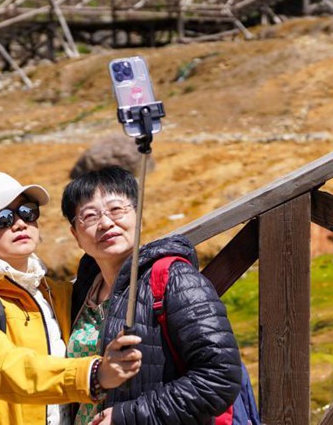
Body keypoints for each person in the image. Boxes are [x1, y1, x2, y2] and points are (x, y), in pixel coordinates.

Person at [0, 171, 142, 424]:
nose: (19, 223)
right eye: (1, 218)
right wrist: (93, 375)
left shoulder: (56, 293)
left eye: (27, 211)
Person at [63, 166, 242, 424]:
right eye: (90, 216)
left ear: (138, 214)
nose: (105, 223)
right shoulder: (82, 291)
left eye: (116, 209)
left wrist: (128, 417)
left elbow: (220, 377)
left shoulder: (175, 279)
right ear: (75, 235)